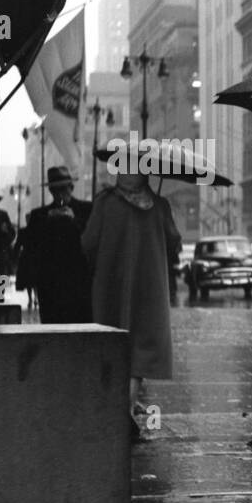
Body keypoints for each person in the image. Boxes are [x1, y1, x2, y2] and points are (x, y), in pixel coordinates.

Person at [82, 162, 180, 436]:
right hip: (150, 290)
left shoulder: (104, 203)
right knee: (142, 349)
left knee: (114, 344)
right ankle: (126, 407)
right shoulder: (159, 205)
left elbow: (88, 243)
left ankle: (118, 410)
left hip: (110, 285)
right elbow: (174, 241)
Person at [15, 165, 93, 323]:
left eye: (64, 188)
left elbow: (92, 239)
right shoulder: (39, 215)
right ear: (50, 191)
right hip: (50, 284)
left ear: (71, 187)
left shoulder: (86, 210)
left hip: (79, 281)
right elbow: (30, 245)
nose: (60, 194)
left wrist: (75, 221)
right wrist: (46, 223)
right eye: (56, 190)